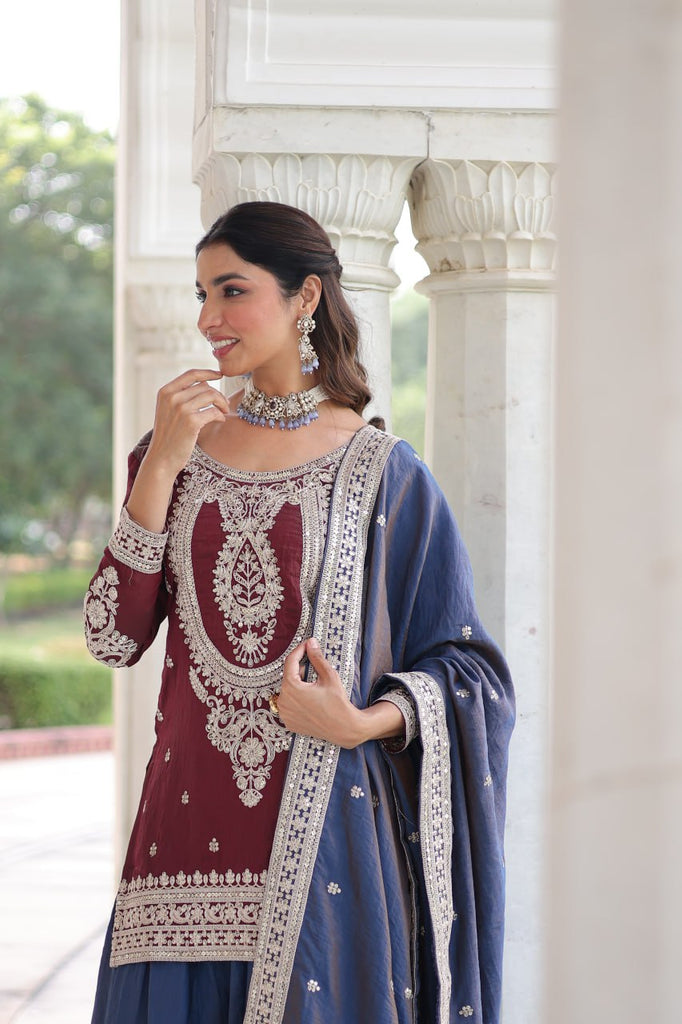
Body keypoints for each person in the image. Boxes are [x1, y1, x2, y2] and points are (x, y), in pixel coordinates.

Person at [85, 201, 514, 1024]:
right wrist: (163, 462)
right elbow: (111, 633)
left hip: (324, 849)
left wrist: (362, 722)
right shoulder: (169, 452)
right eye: (200, 294)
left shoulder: (382, 471)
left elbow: (468, 669)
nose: (208, 319)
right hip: (176, 851)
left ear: (305, 297)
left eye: (231, 291)